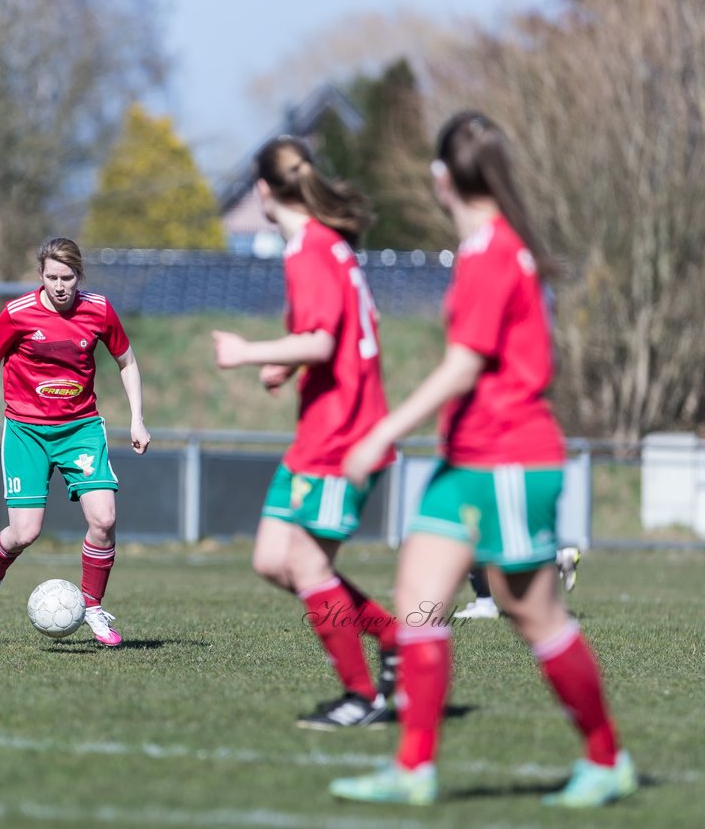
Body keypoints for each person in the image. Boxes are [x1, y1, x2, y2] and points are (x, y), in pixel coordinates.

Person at [331, 112, 634, 806]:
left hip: (509, 460)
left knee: (535, 618)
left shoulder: (494, 253)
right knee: (418, 602)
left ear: (444, 179)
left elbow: (464, 366)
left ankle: (605, 757)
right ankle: (413, 770)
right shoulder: (484, 251)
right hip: (467, 460)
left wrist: (381, 433)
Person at [212, 136, 399, 729]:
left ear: (264, 190)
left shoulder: (308, 250)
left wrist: (246, 352)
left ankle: (363, 695)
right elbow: (331, 337)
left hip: (344, 435)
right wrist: (285, 364)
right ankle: (394, 637)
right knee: (273, 560)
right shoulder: (326, 244)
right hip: (319, 432)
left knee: (309, 569)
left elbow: (321, 340)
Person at [0, 237, 150, 646]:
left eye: (67, 277)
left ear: (79, 276)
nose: (60, 285)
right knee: (26, 532)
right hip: (26, 431)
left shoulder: (99, 310)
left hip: (80, 428)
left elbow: (127, 360)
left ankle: (92, 608)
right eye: (51, 277)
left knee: (104, 520)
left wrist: (137, 419)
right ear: (41, 277)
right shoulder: (17, 313)